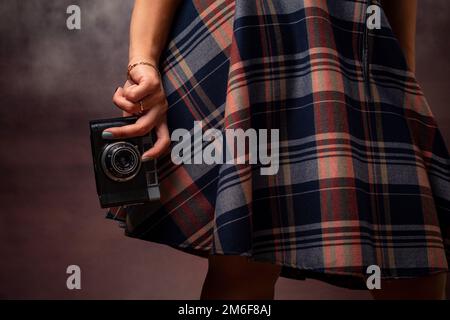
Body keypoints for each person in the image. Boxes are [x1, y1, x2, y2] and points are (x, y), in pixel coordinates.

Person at [104, 0, 450, 300]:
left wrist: (400, 74)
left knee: (417, 270)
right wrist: (142, 64)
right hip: (245, 42)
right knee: (242, 264)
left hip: (349, 48)